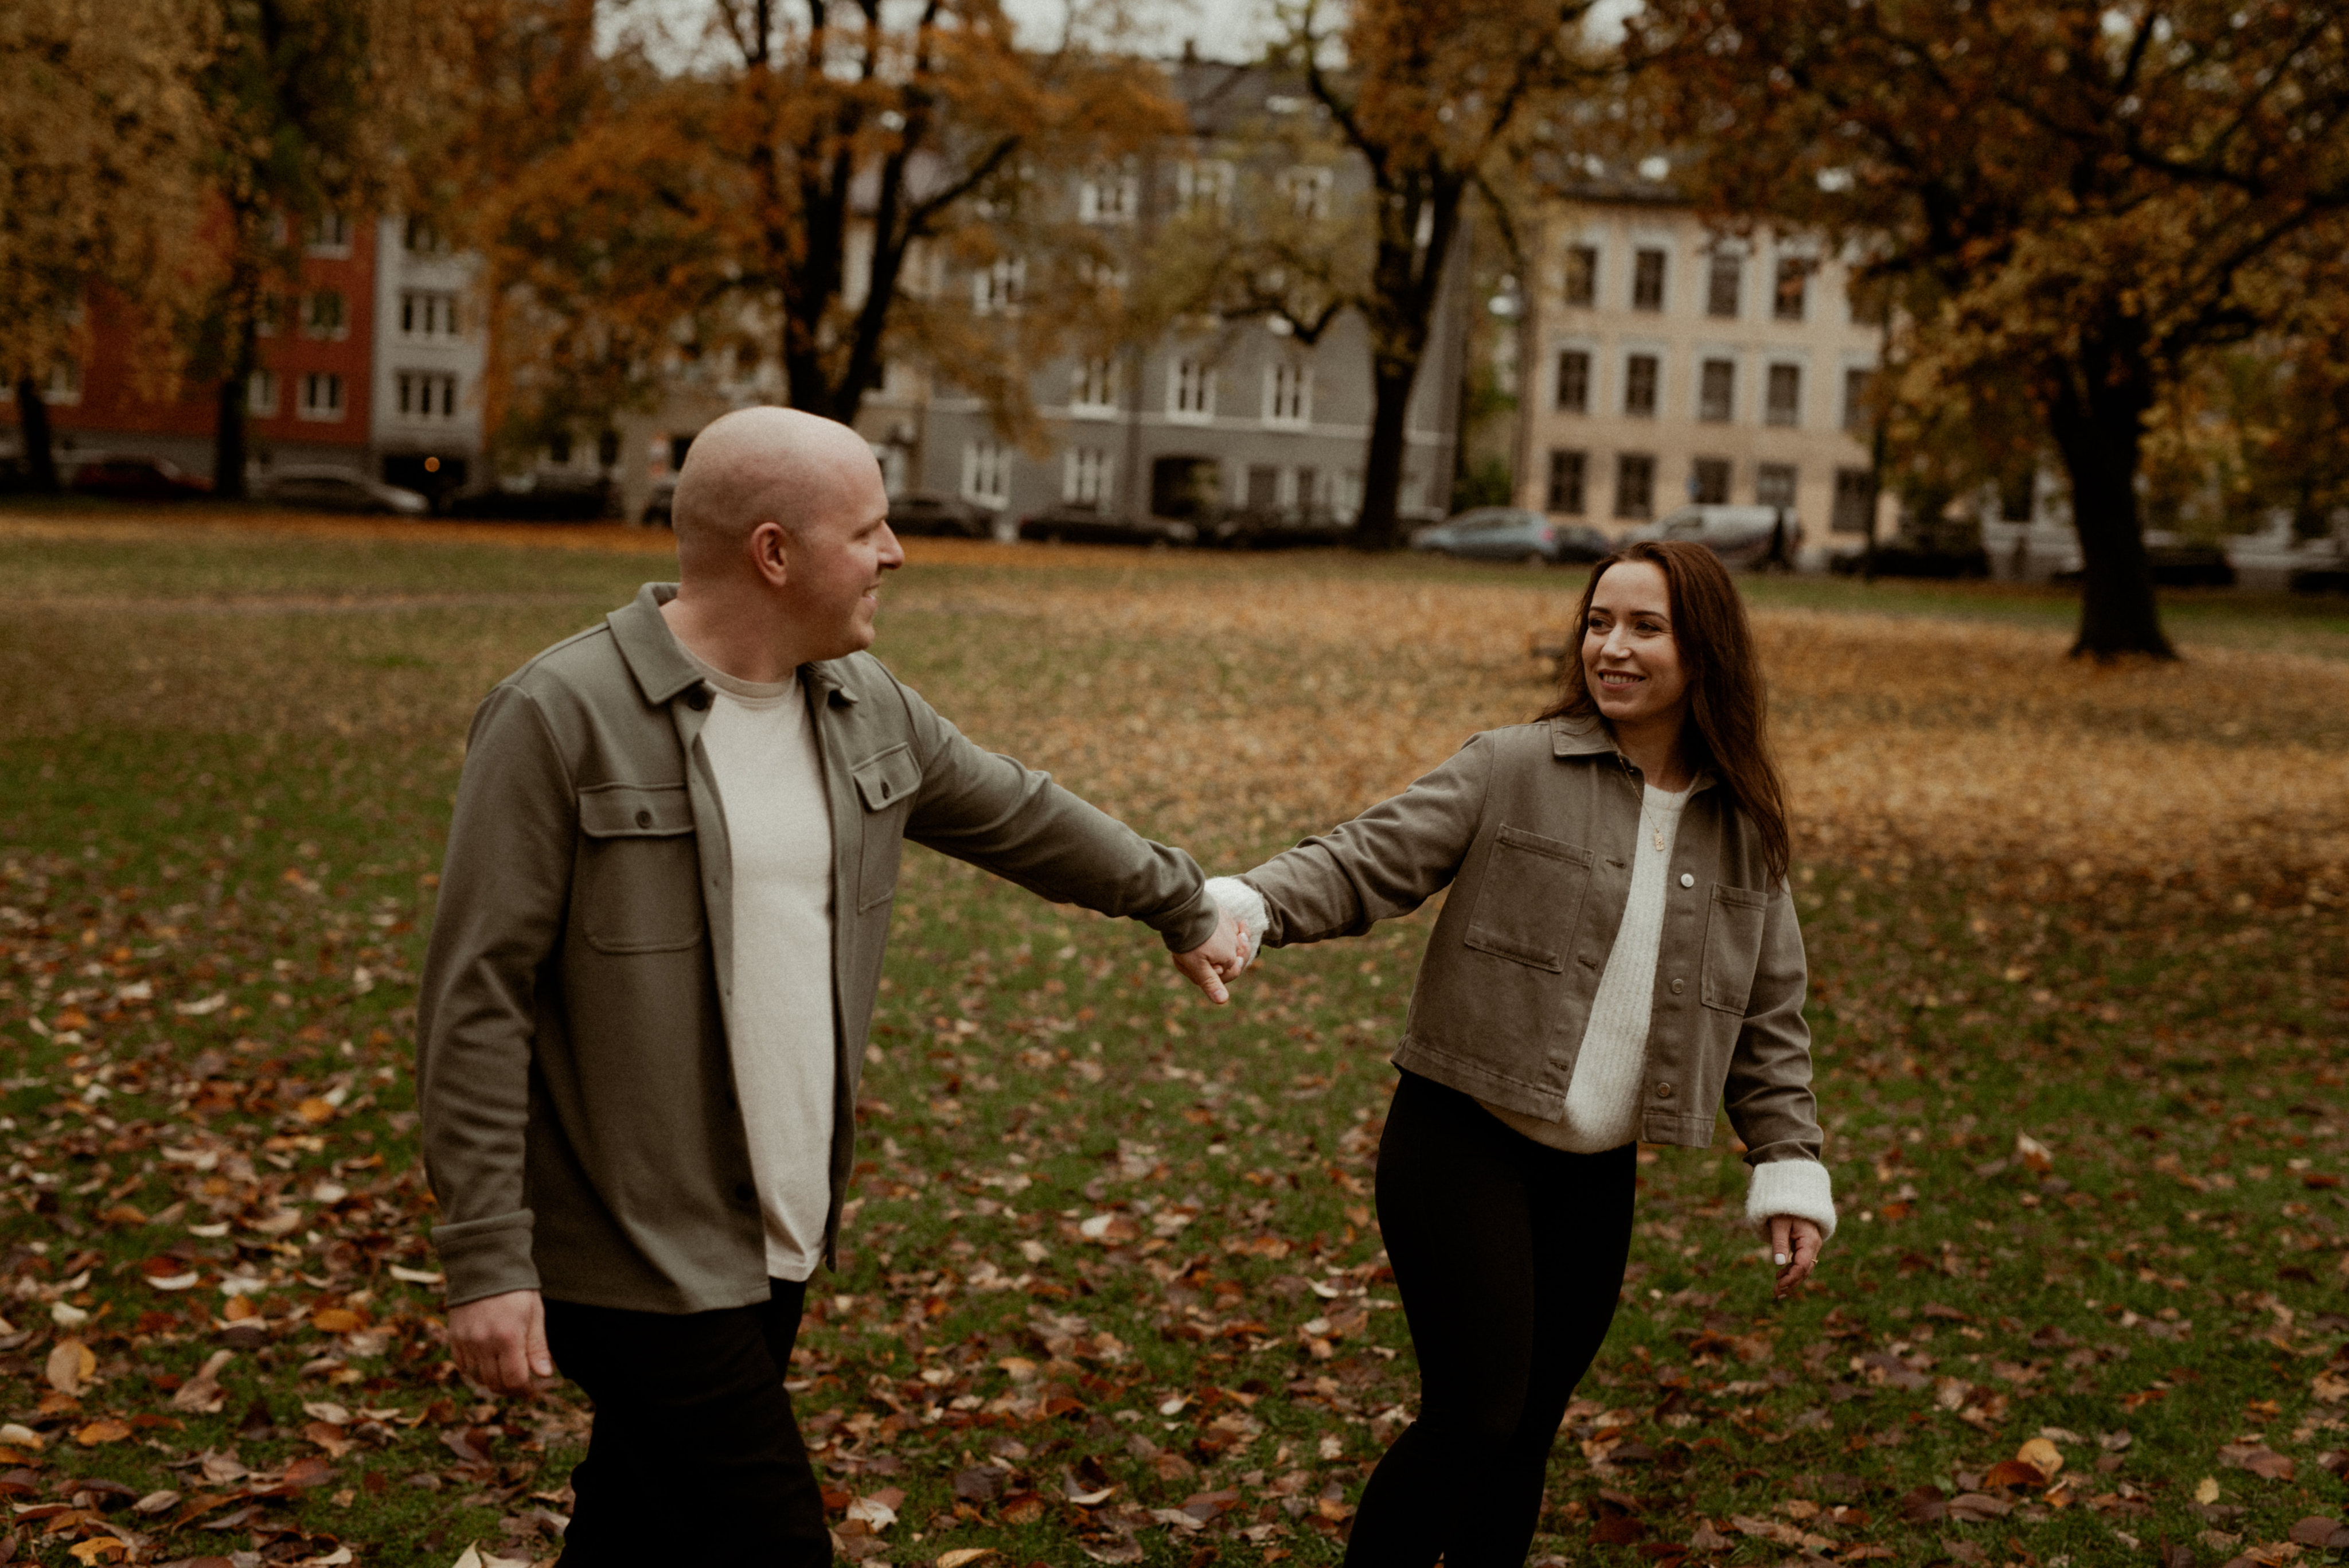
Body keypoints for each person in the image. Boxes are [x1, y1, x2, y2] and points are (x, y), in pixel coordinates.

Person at [415, 407, 1246, 1565]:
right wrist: (489, 1256)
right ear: (773, 552)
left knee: (641, 1532)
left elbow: (1020, 810)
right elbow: (474, 1001)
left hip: (781, 1229)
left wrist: (1182, 899)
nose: (896, 550)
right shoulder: (560, 717)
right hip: (632, 1246)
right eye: (869, 528)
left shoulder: (859, 703)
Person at [1203, 540, 1834, 1568]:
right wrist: (1254, 905)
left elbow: (1770, 1016)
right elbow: (1372, 856)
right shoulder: (1514, 765)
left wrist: (1787, 1158)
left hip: (1593, 1173)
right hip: (1463, 1136)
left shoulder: (1746, 830)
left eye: (1643, 626)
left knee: (1529, 1430)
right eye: (1598, 622)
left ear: (1705, 650)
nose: (1611, 647)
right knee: (1476, 1415)